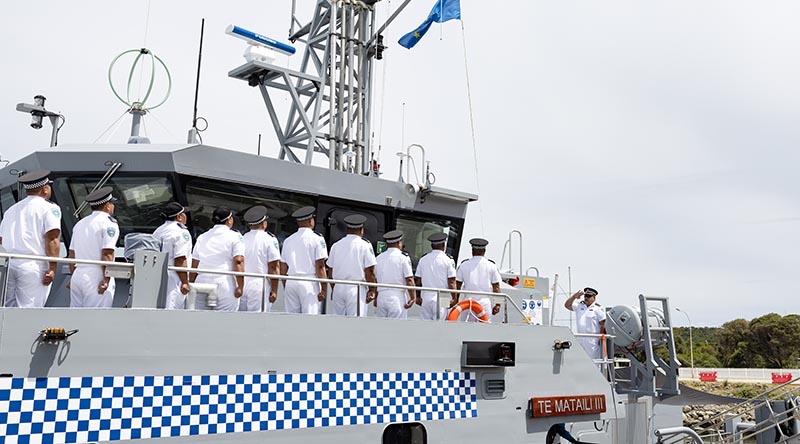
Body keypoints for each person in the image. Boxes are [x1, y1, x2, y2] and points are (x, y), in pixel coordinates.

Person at [0, 170, 61, 307]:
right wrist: (52, 268)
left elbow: (1, 239)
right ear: (45, 189)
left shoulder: (11, 210)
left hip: (9, 264)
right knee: (30, 309)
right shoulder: (49, 208)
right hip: (33, 264)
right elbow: (52, 238)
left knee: (7, 308)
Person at [68, 186, 120, 308]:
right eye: (112, 204)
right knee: (97, 318)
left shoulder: (80, 223)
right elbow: (107, 254)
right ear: (107, 206)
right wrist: (106, 279)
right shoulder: (109, 224)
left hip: (78, 274)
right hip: (96, 275)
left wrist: (73, 277)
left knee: (75, 316)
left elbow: (71, 254)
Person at [191, 207, 245, 311]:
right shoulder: (235, 236)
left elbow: (195, 263)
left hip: (201, 281)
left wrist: (191, 282)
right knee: (224, 322)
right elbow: (238, 261)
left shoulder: (202, 236)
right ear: (229, 220)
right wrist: (240, 286)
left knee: (199, 320)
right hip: (224, 282)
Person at [326, 214, 377, 317]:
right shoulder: (365, 245)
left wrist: (334, 288)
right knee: (356, 322)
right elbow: (370, 271)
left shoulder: (336, 245)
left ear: (347, 229)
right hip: (356, 288)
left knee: (338, 320)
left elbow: (330, 271)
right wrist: (372, 290)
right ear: (361, 229)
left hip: (338, 287)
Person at [280, 206, 328, 314]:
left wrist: (286, 284)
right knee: (309, 319)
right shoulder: (317, 239)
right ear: (311, 221)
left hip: (291, 281)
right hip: (309, 282)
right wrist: (324, 288)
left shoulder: (288, 240)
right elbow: (320, 266)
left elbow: (283, 268)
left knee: (291, 318)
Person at [239, 205, 281, 312]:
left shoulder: (242, 238)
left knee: (240, 319)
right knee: (258, 321)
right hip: (259, 284)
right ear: (263, 223)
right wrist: (274, 290)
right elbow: (274, 267)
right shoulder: (269, 239)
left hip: (242, 282)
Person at [152, 202, 192, 309]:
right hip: (175, 277)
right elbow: (180, 259)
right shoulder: (181, 232)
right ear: (179, 217)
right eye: (184, 213)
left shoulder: (158, 230)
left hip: (158, 275)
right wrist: (185, 282)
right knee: (172, 310)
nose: (186, 216)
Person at [455, 238, 501, 322]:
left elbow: (457, 286)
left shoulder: (464, 265)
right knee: (484, 331)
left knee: (465, 330)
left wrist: (456, 301)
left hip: (467, 303)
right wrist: (497, 304)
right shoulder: (491, 266)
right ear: (484, 251)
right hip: (484, 303)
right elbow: (496, 287)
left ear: (472, 250)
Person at [414, 232, 457, 320]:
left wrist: (418, 296)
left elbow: (418, 280)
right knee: (440, 325)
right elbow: (451, 281)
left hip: (426, 295)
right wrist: (454, 298)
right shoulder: (448, 260)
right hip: (443, 296)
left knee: (425, 324)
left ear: (432, 246)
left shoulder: (423, 259)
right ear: (443, 245)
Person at [374, 230, 415, 319]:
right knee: (397, 328)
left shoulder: (378, 258)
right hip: (397, 296)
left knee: (381, 327)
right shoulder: (403, 257)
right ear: (398, 243)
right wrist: (412, 297)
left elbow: (375, 280)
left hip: (381, 296)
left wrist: (376, 297)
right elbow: (409, 279)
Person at [565, 287, 606, 362]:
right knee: (581, 360)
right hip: (580, 338)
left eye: (589, 296)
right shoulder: (579, 306)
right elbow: (567, 305)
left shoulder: (598, 308)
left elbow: (603, 324)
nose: (586, 298)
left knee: (594, 361)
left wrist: (600, 338)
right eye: (585, 296)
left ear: (594, 297)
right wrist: (574, 297)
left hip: (593, 339)